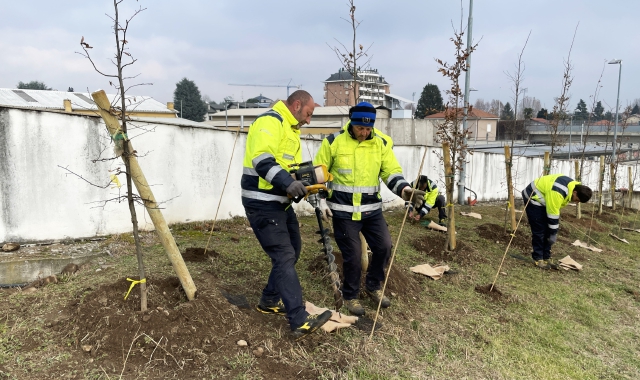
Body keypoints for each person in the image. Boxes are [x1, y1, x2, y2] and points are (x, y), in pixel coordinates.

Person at [313, 102, 425, 316]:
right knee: (353, 256)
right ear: (351, 124)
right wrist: (321, 203)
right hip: (343, 212)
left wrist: (405, 190)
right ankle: (351, 296)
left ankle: (373, 286)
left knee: (384, 246)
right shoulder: (333, 142)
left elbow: (391, 172)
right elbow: (319, 174)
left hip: (371, 211)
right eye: (359, 128)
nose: (364, 133)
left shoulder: (381, 143)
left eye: (368, 129)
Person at [241, 90, 331, 339]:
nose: (309, 120)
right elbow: (262, 160)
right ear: (297, 104)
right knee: (283, 255)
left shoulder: (292, 130)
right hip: (261, 203)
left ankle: (269, 299)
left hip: (279, 203)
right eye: (309, 114)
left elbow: (287, 169)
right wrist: (286, 182)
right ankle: (299, 319)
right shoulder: (270, 121)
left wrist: (304, 182)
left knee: (294, 249)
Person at [521, 174, 592, 269]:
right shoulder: (558, 193)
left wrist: (551, 233)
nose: (576, 202)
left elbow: (553, 212)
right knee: (540, 229)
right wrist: (553, 233)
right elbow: (553, 215)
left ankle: (546, 257)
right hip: (533, 197)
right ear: (575, 192)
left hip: (544, 197)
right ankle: (538, 258)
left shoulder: (571, 186)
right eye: (577, 200)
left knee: (547, 230)